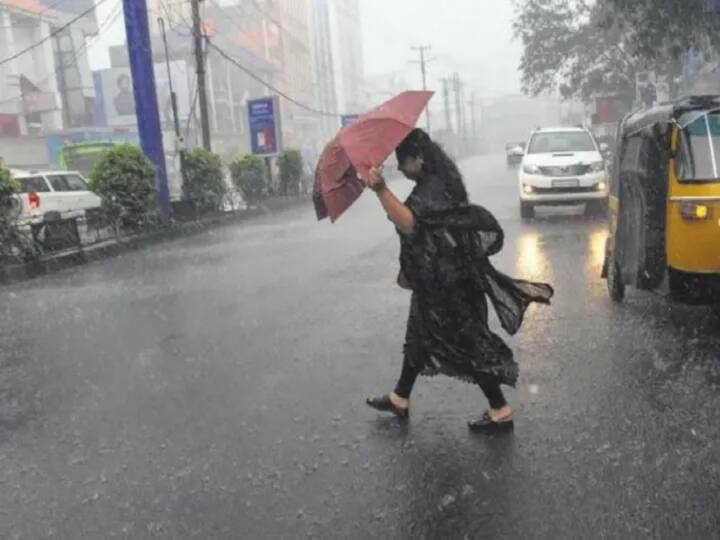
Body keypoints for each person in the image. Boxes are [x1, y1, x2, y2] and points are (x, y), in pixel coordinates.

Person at [365, 129, 553, 433]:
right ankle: (400, 397)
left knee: (468, 342)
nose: (399, 167)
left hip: (450, 283)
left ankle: (500, 409)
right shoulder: (438, 179)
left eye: (403, 161)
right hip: (439, 278)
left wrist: (381, 190)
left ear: (419, 159)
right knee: (418, 335)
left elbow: (410, 222)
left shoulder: (434, 186)